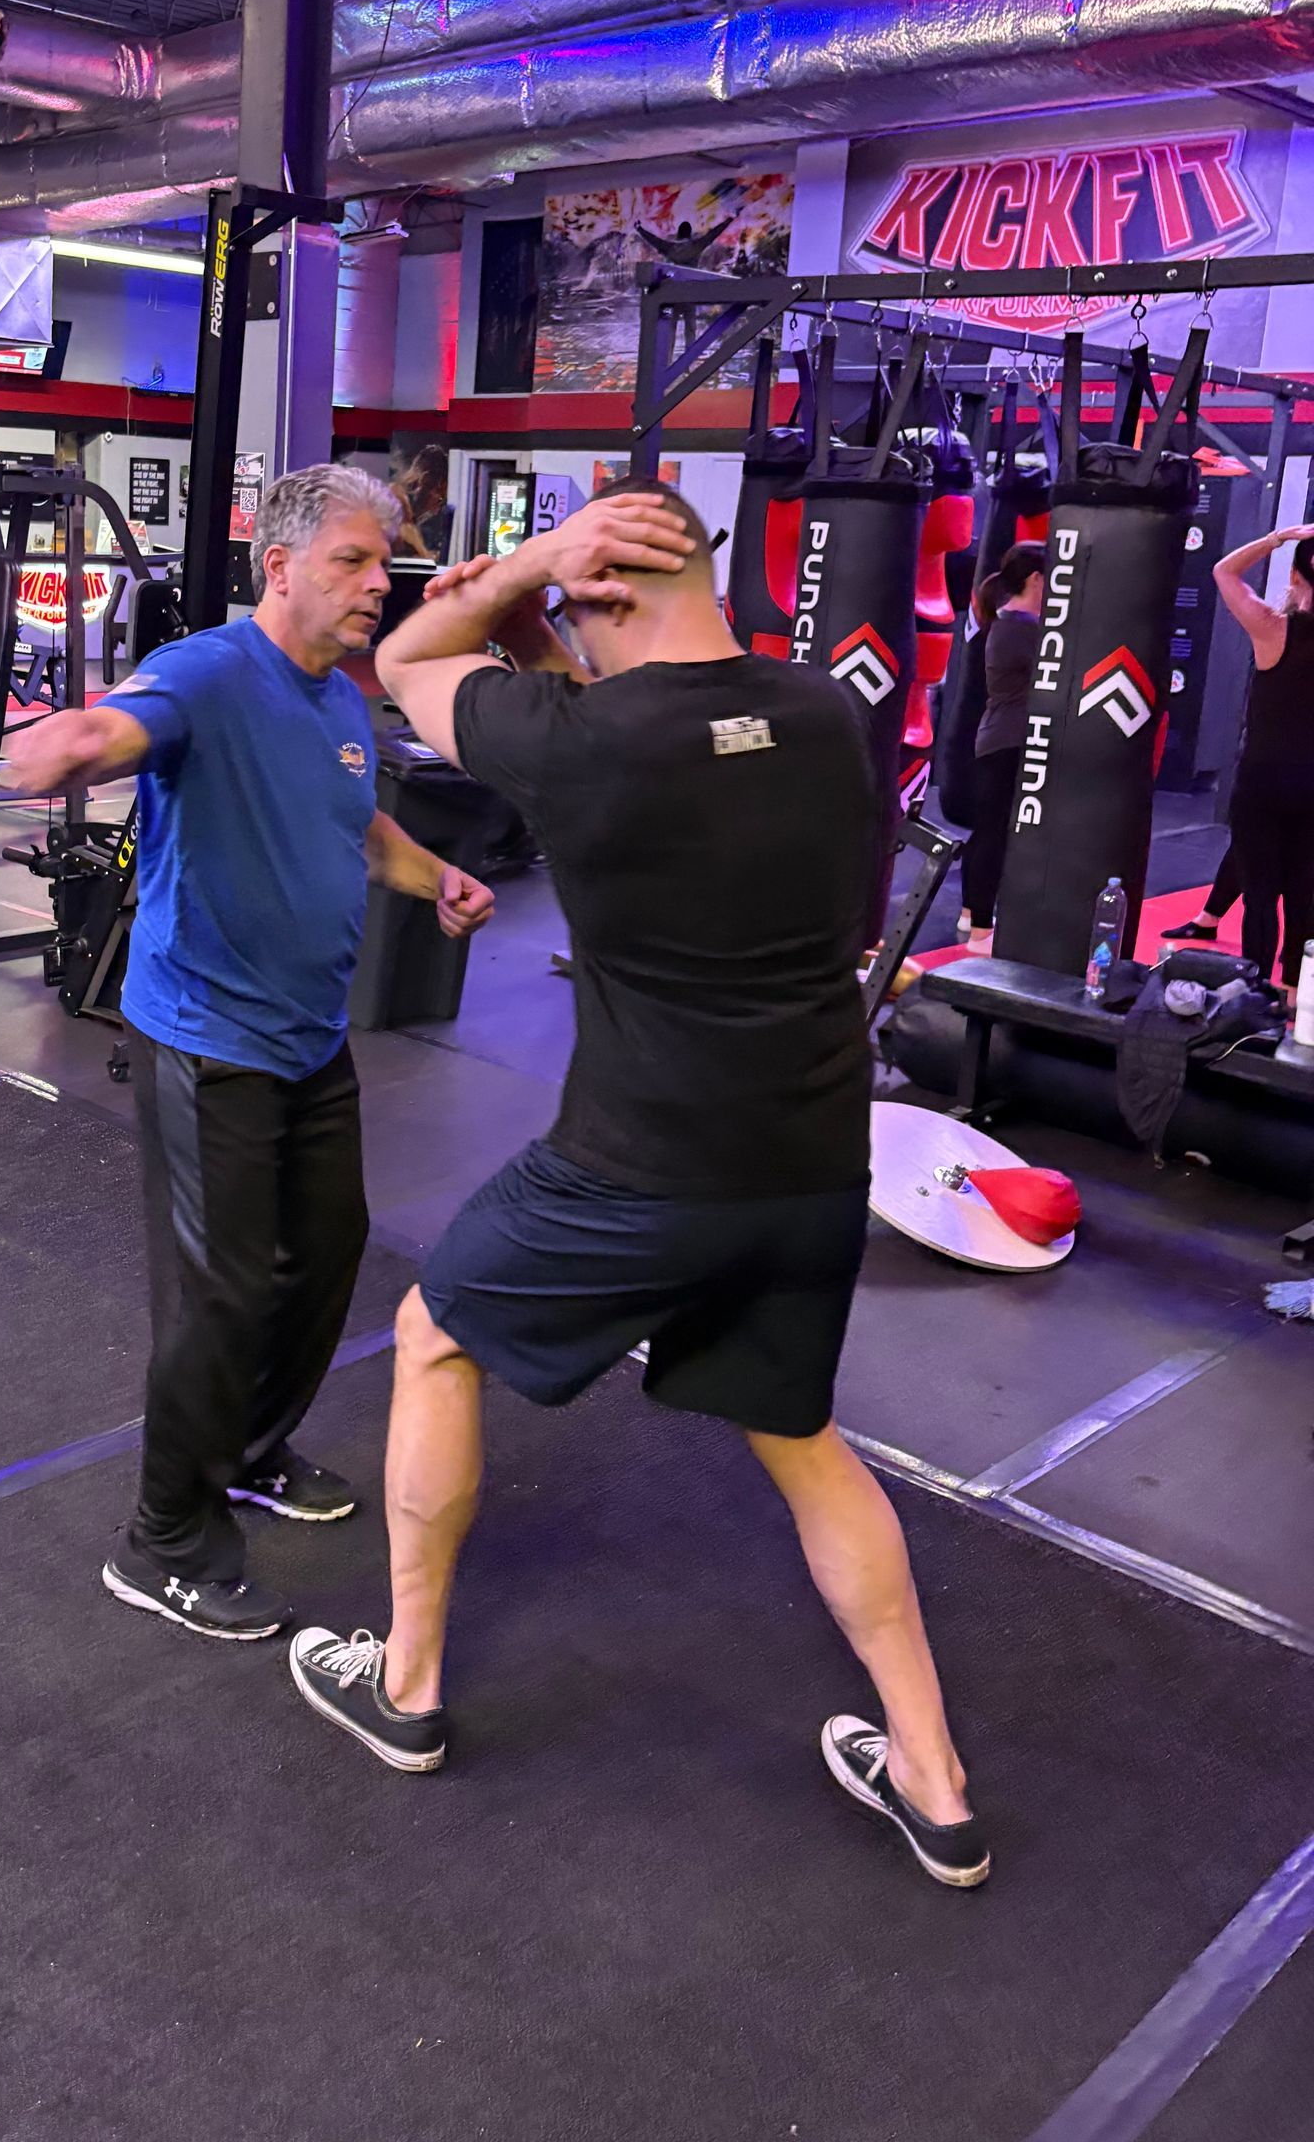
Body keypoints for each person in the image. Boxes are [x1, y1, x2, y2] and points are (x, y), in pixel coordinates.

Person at [287, 481, 989, 1892]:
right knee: (800, 1436)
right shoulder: (820, 716)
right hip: (806, 1169)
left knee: (435, 1338)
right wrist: (558, 609)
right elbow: (656, 717)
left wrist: (527, 570)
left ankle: (405, 1691)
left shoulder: (587, 743)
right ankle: (935, 1778)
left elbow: (411, 657)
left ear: (601, 580)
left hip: (633, 1173)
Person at [14, 462, 495, 1640]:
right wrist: (72, 744)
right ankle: (164, 1534)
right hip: (203, 1038)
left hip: (307, 1036)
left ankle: (246, 1449)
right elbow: (130, 724)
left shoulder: (341, 694)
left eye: (385, 565)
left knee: (325, 1259)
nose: (378, 584)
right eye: (353, 562)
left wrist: (433, 875)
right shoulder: (213, 668)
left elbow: (352, 818)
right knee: (220, 1291)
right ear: (279, 567)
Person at [1213, 522, 1314, 1000]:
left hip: (1261, 783)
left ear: (1295, 577)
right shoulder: (1276, 629)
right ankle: (1295, 989)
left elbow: (1224, 571)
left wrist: (1277, 538)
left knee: (1261, 896)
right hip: (1310, 785)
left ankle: (1255, 991)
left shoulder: (1273, 629)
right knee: (1303, 895)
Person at [958, 542, 1045, 951]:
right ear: (1036, 579)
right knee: (994, 833)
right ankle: (979, 927)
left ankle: (969, 913)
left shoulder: (1013, 622)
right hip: (1007, 740)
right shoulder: (1018, 627)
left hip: (1001, 738)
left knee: (990, 831)